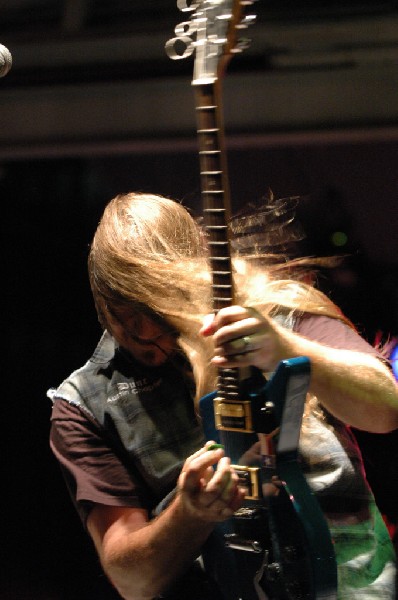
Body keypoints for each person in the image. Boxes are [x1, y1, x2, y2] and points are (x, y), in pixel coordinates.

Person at [48, 192, 398, 600]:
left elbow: (386, 409)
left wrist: (286, 348)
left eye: (158, 305)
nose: (146, 332)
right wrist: (188, 514)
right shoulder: (84, 403)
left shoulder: (279, 311)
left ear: (190, 273)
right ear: (101, 303)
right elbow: (132, 580)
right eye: (127, 315)